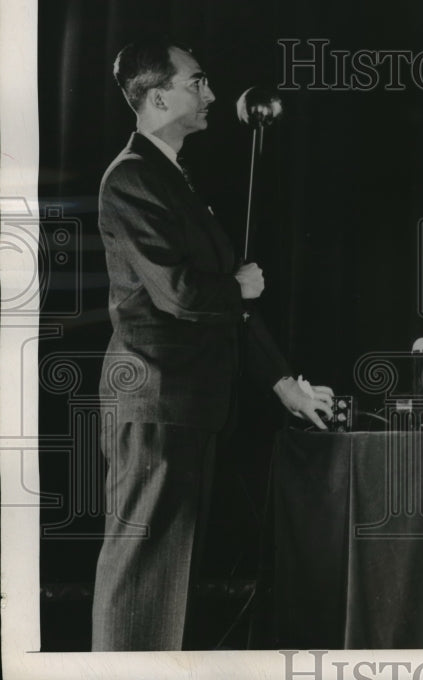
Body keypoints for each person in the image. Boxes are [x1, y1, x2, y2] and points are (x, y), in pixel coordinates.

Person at [93, 38, 335, 650]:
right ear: (156, 97)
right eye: (197, 82)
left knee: (163, 582)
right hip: (154, 404)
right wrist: (235, 284)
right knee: (142, 578)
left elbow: (227, 311)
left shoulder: (171, 178)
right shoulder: (131, 179)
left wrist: (284, 383)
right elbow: (178, 294)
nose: (212, 95)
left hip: (185, 407)